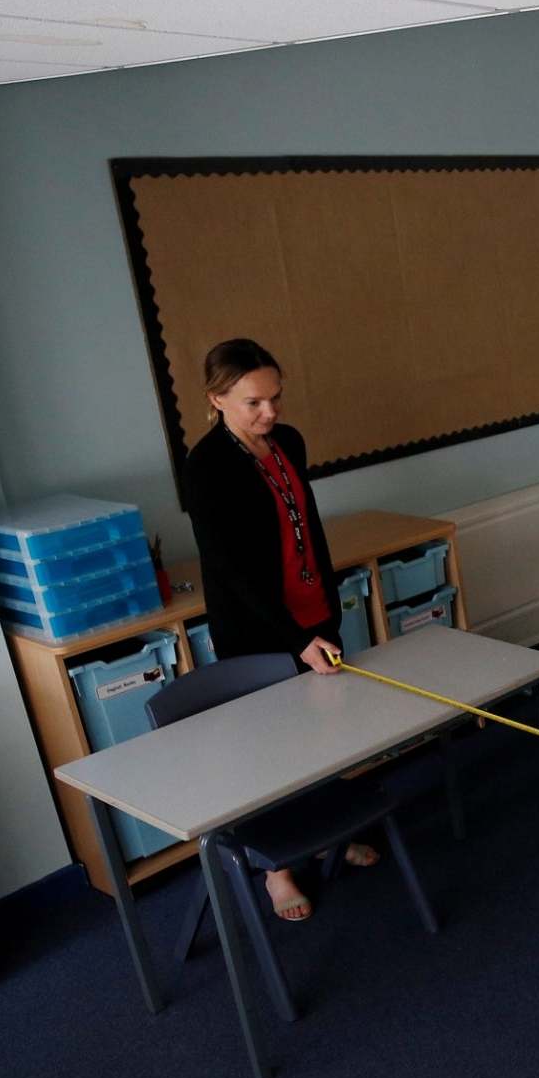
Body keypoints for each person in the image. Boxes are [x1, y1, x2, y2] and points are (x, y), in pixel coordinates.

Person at [181, 337, 376, 922]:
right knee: (274, 748)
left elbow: (306, 527)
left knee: (325, 732)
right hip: (258, 629)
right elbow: (231, 570)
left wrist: (327, 608)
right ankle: (277, 870)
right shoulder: (206, 466)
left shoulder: (288, 441)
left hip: (314, 610)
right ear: (216, 399)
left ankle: (324, 836)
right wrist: (295, 638)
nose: (270, 412)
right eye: (254, 403)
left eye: (275, 397)